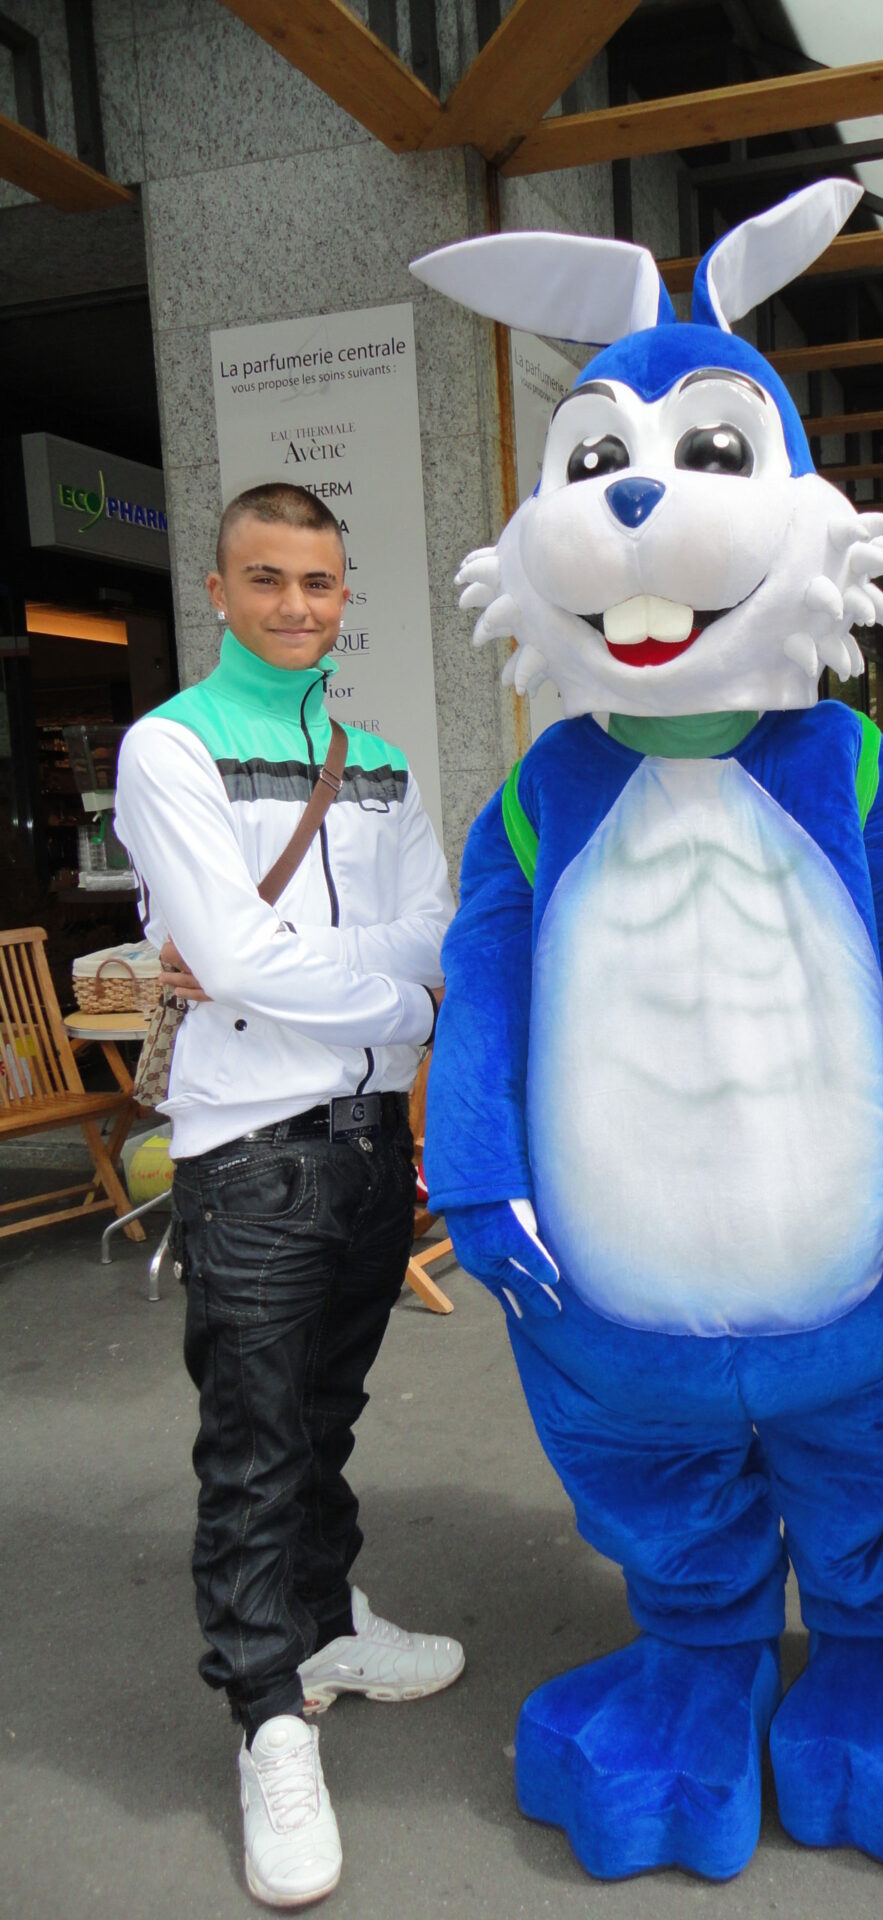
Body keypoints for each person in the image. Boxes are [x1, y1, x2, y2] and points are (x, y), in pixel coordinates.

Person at [114, 483, 461, 1909]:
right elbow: (242, 958)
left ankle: (324, 1625)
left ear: (342, 592)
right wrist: (403, 1003)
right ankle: (267, 1721)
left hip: (372, 1145)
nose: (296, 606)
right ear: (219, 589)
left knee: (324, 1418)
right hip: (250, 1153)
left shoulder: (374, 760)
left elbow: (438, 923)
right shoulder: (169, 745)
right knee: (254, 1451)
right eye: (267, 579)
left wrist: (346, 977)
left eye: (318, 582)